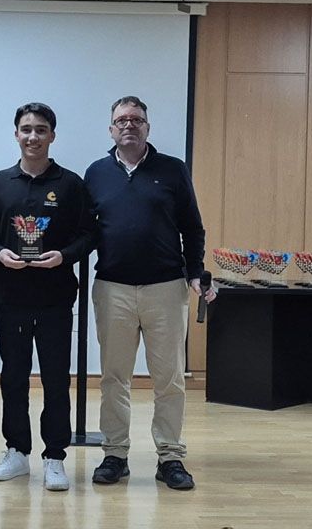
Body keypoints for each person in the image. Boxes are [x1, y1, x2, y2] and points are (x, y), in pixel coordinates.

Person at [83, 95, 217, 491]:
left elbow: (192, 227)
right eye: (121, 120)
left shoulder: (172, 170)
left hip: (166, 289)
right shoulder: (96, 173)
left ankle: (170, 457)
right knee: (114, 378)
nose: (129, 124)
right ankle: (115, 454)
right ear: (111, 129)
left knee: (169, 378)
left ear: (147, 127)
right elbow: (84, 231)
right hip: (112, 289)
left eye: (137, 119)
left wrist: (195, 272)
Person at [0, 103, 95, 492]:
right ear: (16, 134)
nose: (32, 136)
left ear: (52, 135)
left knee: (56, 379)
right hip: (11, 297)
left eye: (40, 130)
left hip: (56, 298)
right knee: (13, 378)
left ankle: (55, 457)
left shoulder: (71, 185)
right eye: (26, 129)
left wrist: (64, 256)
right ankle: (17, 452)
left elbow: (90, 234)